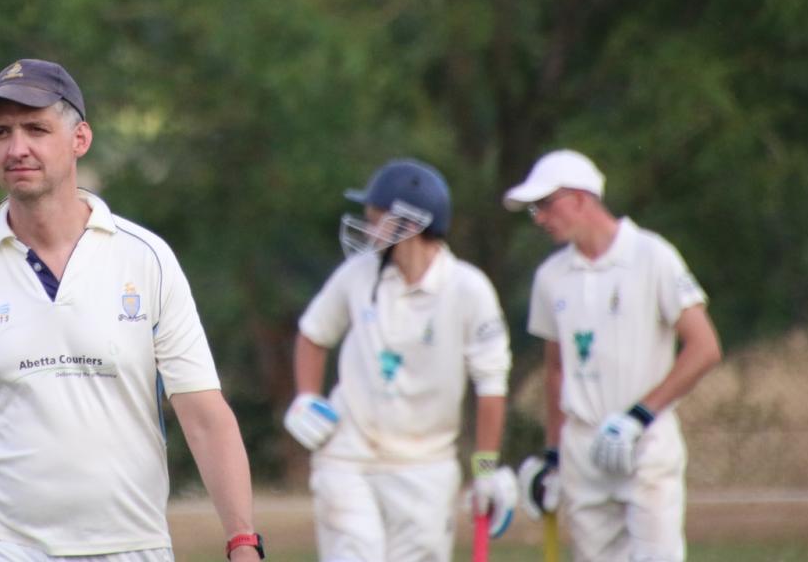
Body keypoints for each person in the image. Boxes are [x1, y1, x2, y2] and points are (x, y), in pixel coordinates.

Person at [0, 59, 263, 562]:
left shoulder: (146, 259)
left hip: (133, 546)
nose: (16, 147)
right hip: (2, 548)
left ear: (80, 139)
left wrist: (243, 541)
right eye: (1, 132)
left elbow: (205, 417)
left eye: (36, 129)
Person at [283, 158, 515, 562]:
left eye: (375, 217)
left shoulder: (468, 288)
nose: (366, 226)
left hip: (426, 464)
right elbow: (312, 334)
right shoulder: (358, 273)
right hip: (348, 454)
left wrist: (485, 469)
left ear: (410, 223)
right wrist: (306, 396)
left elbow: (491, 386)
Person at [504, 149, 722, 562]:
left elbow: (705, 347)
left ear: (580, 199)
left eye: (545, 205)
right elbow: (556, 371)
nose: (539, 218)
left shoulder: (651, 255)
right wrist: (552, 455)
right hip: (582, 451)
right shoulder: (550, 277)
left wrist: (638, 416)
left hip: (644, 443)